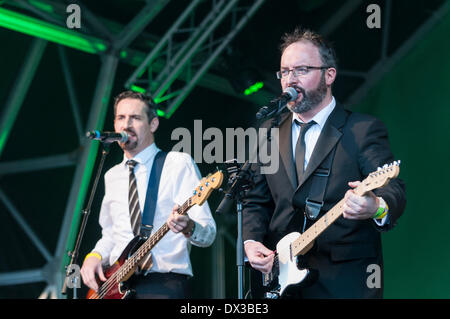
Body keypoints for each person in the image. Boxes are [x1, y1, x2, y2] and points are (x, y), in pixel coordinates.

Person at [243, 28, 406, 298]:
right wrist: (251, 242)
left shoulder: (362, 129)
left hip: (344, 283)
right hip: (284, 282)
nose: (290, 80)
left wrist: (375, 207)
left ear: (329, 75)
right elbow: (255, 201)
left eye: (301, 70)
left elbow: (394, 188)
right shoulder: (270, 135)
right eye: (284, 72)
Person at [80, 91, 216, 299]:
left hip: (164, 284)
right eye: (120, 118)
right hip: (116, 288)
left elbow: (208, 233)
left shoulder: (177, 163)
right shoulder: (112, 176)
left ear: (153, 124)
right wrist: (94, 255)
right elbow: (110, 234)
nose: (126, 125)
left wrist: (189, 227)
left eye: (135, 118)